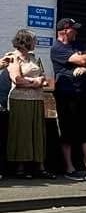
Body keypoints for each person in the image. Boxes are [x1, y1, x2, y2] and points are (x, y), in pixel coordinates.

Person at [50, 18, 86, 182]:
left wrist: (85, 68)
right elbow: (82, 59)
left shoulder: (79, 45)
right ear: (65, 31)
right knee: (68, 130)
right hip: (67, 94)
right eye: (74, 29)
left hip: (83, 93)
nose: (77, 32)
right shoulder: (57, 48)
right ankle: (69, 168)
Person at [5, 31, 50, 179]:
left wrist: (38, 81)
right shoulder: (13, 57)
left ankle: (39, 166)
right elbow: (17, 80)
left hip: (37, 99)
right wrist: (35, 83)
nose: (35, 42)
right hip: (20, 100)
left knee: (37, 132)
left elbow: (44, 78)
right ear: (25, 41)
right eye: (33, 40)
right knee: (22, 131)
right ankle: (20, 168)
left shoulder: (34, 58)